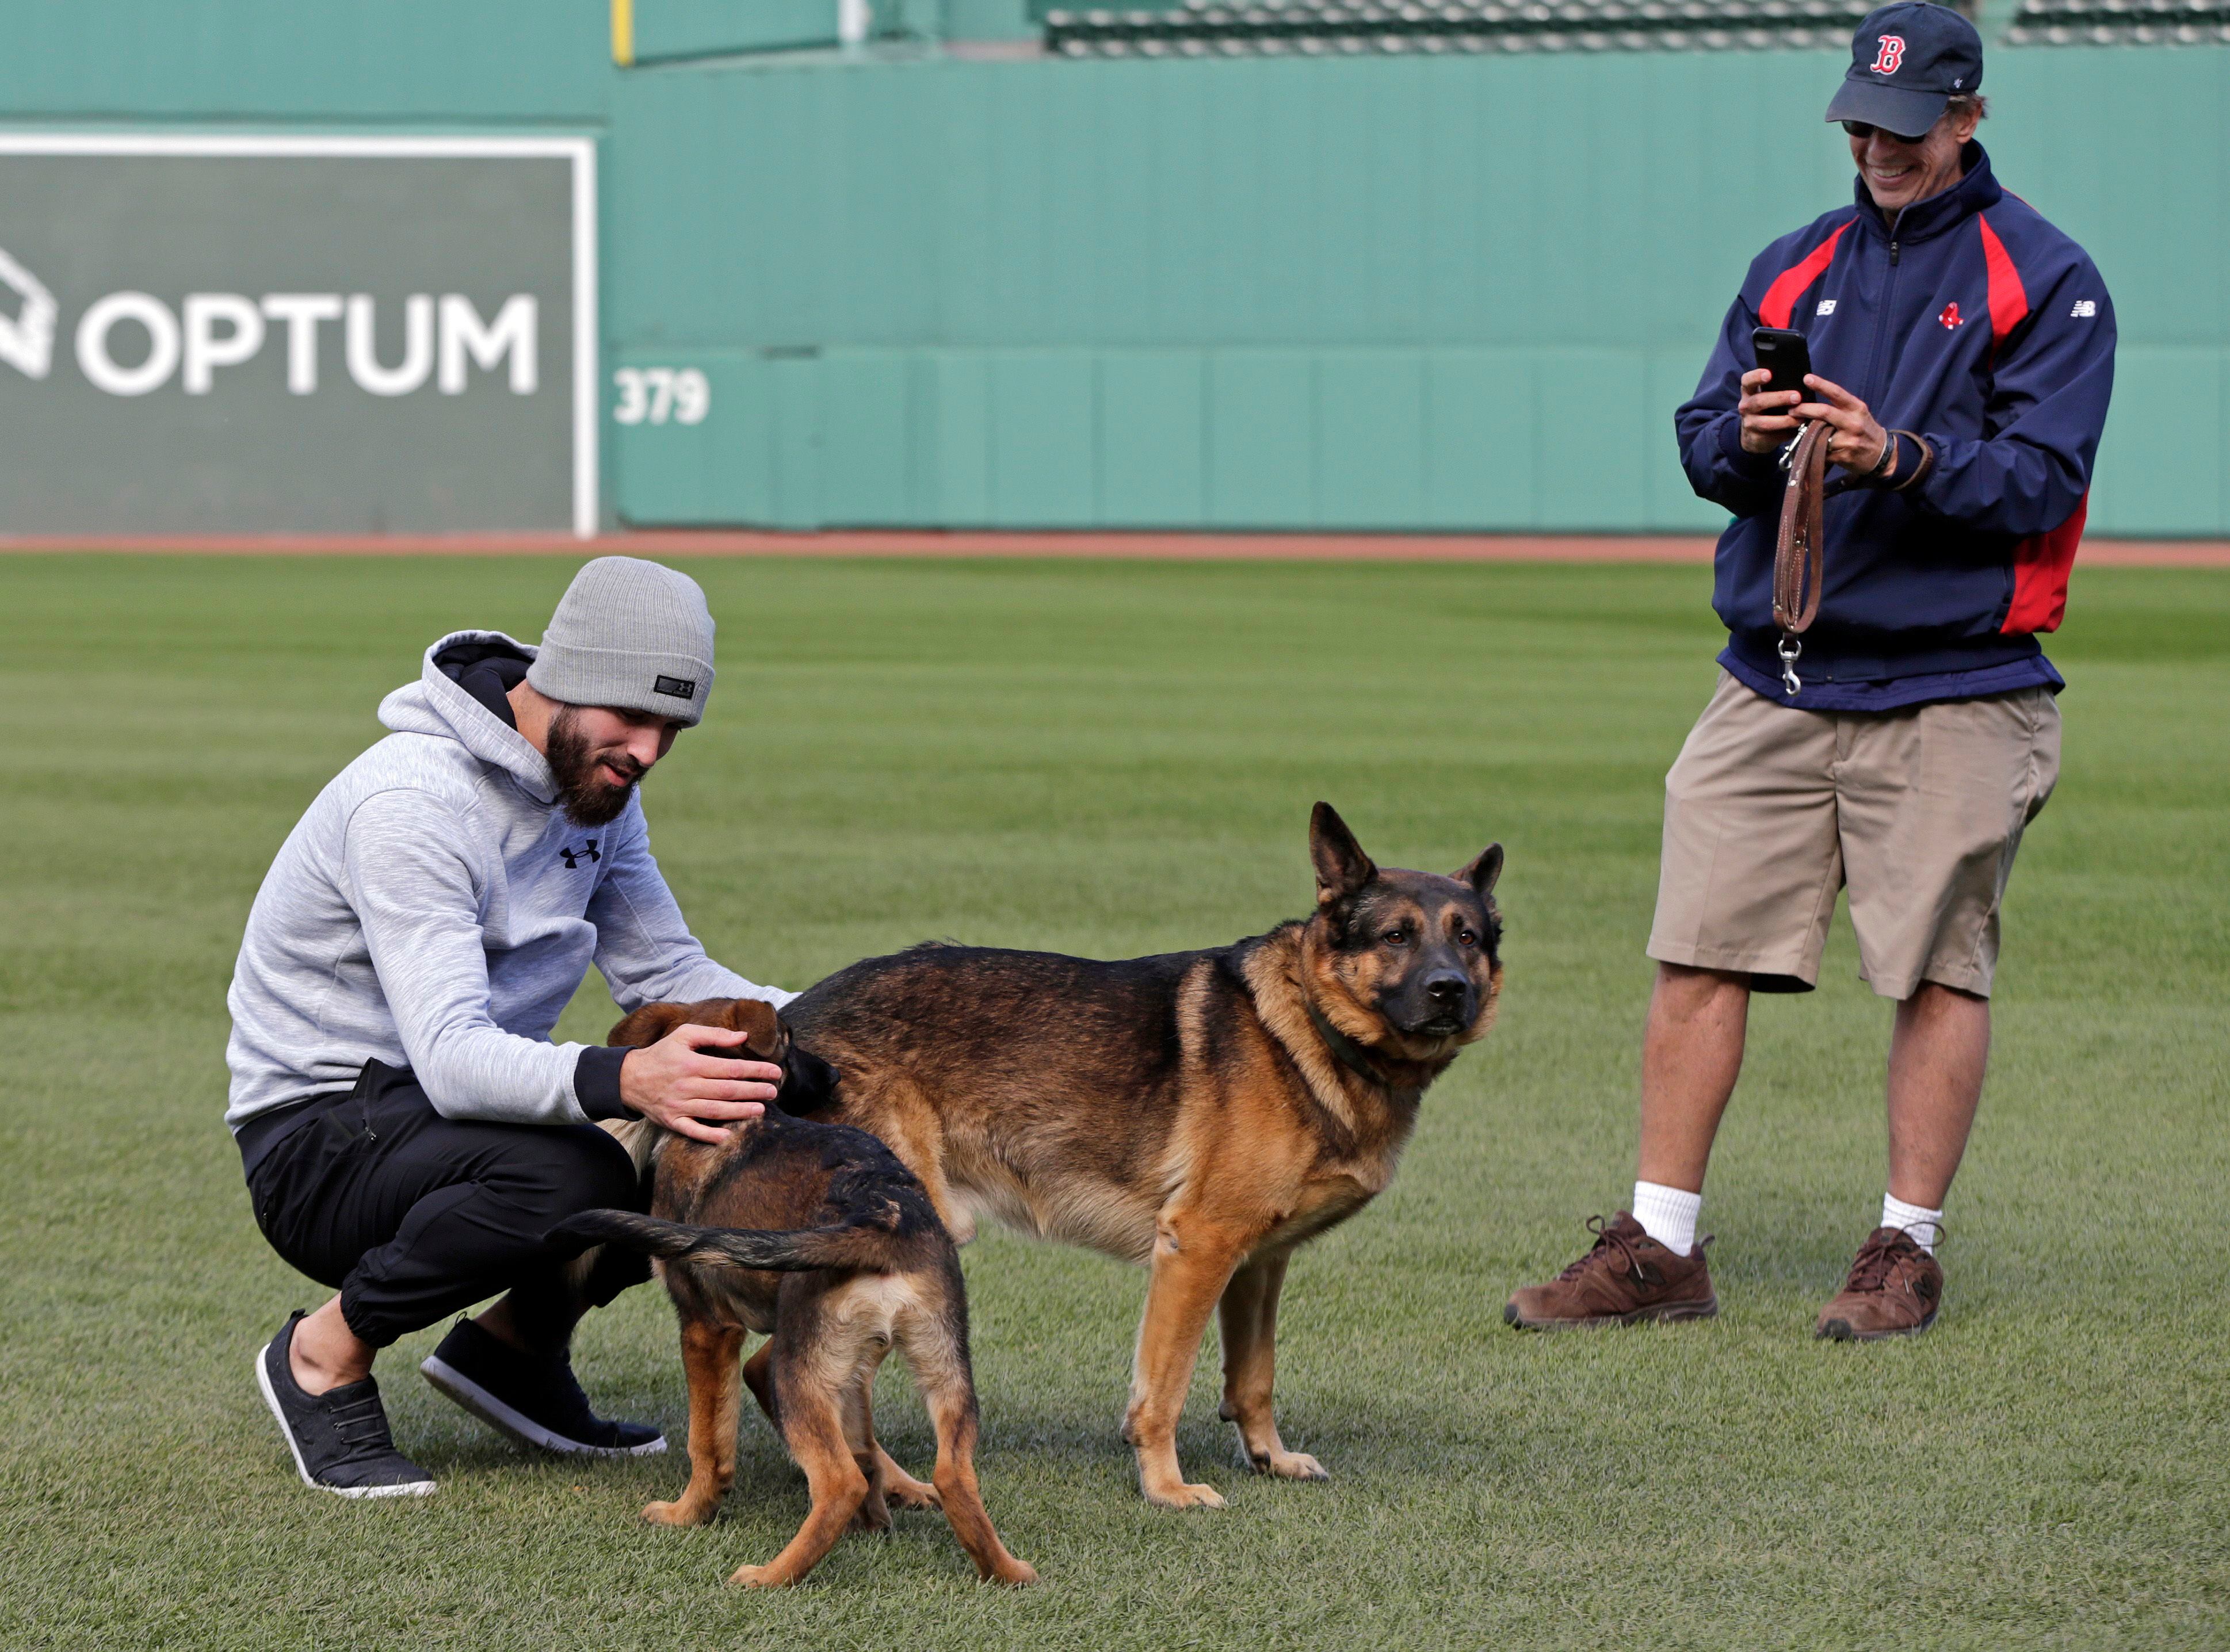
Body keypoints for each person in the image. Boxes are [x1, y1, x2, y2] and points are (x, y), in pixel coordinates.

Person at [1506, 2, 2114, 1341]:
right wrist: (1750, 428)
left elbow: (2044, 478)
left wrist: (1896, 453)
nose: (1877, 147)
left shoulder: (2046, 274)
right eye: (1858, 121)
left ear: (1968, 116)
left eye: (1904, 127)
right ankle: (1660, 1245)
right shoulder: (1795, 266)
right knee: (1697, 948)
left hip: (1958, 680)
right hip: (1773, 674)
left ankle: (1906, 1247)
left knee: (1938, 969)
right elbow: (1704, 443)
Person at [228, 556, 793, 1496]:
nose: (649, 750)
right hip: (319, 1141)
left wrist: (851, 1020)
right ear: (567, 677)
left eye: (672, 729)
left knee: (720, 1109)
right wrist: (631, 1082)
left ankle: (512, 1355)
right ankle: (321, 1356)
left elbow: (667, 971)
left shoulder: (597, 785)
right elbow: (449, 1057)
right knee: (585, 1163)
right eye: (633, 718)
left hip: (439, 1122)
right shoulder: (410, 802)